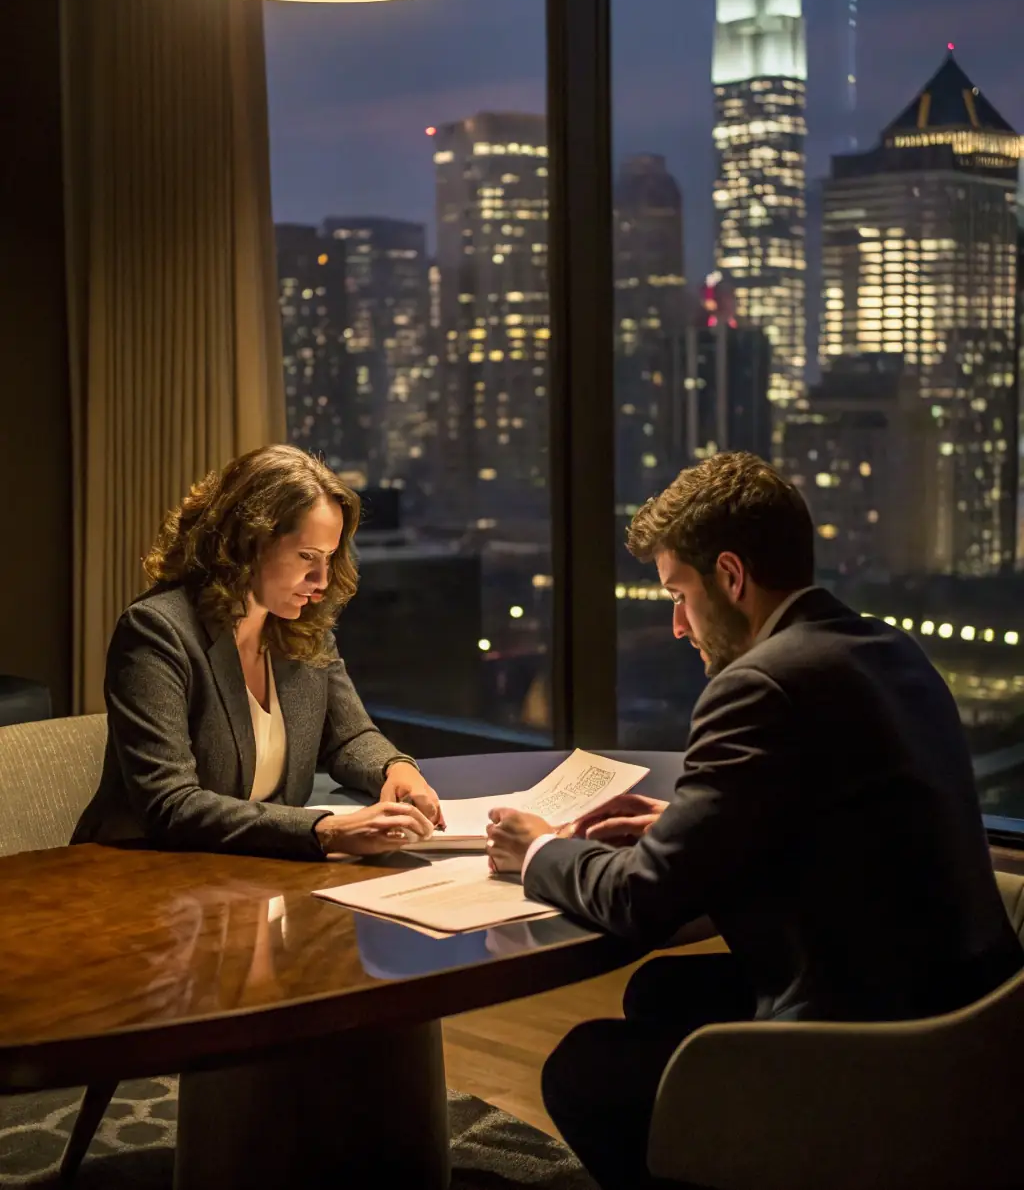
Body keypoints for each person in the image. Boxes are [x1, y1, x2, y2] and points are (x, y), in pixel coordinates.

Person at [485, 451, 1023, 1190]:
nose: (676, 624)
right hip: (975, 1025)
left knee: (584, 1068)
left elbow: (642, 901)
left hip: (879, 1058)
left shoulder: (760, 683)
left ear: (731, 577)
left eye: (679, 593)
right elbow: (828, 811)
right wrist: (685, 824)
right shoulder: (887, 650)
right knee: (660, 996)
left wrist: (539, 848)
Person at [74, 445, 442, 860]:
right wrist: (326, 830)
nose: (321, 580)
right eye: (307, 556)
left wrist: (398, 770)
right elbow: (170, 804)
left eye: (328, 557)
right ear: (248, 542)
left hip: (251, 875)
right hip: (136, 877)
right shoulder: (157, 631)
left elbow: (350, 737)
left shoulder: (303, 629)